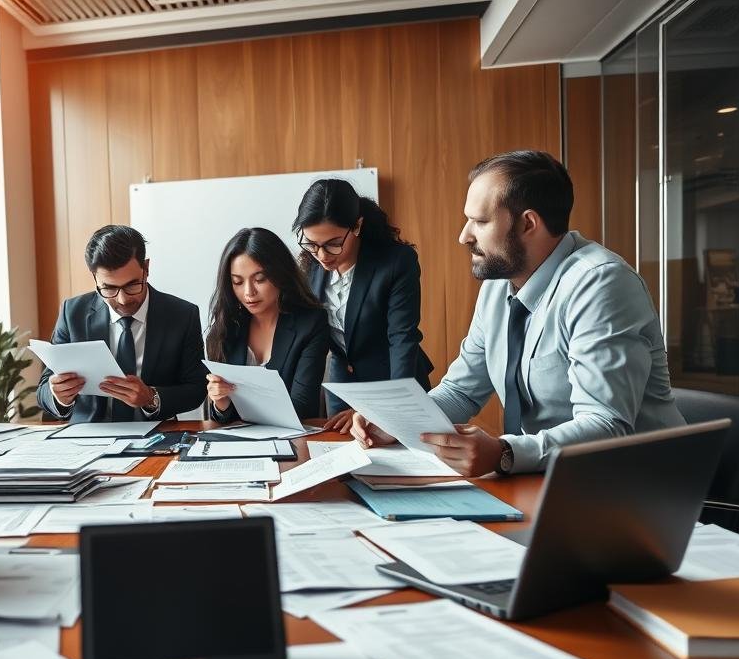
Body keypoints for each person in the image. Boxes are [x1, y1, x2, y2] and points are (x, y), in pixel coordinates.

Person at [352, 151, 685, 476]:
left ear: (528, 223)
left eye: (480, 222)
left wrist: (505, 453)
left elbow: (606, 425)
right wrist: (396, 419)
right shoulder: (499, 286)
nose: (463, 236)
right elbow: (462, 390)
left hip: (634, 487)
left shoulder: (600, 284)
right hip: (550, 479)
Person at [294, 179, 433, 432]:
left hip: (394, 384)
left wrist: (383, 409)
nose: (322, 255)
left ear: (357, 226)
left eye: (333, 243)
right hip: (344, 387)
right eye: (312, 244)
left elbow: (402, 338)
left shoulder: (395, 262)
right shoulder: (311, 266)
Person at [37, 225, 206, 422]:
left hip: (157, 437)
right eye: (109, 288)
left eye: (132, 285)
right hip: (88, 438)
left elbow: (196, 389)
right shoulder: (73, 312)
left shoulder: (182, 315)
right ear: (95, 278)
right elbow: (43, 390)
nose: (123, 300)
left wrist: (151, 398)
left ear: (146, 269)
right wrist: (59, 396)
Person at [205, 228, 329, 422]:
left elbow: (303, 407)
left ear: (280, 274)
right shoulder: (225, 329)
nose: (249, 292)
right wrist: (221, 403)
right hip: (240, 443)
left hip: (293, 441)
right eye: (237, 282)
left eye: (260, 279)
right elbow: (221, 418)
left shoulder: (311, 324)